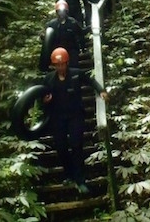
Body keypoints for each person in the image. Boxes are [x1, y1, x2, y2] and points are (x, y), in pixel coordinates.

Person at [42, 47, 108, 193]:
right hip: (58, 118)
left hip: (75, 116)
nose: (60, 67)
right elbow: (42, 96)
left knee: (76, 145)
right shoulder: (49, 79)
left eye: (62, 64)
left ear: (67, 62)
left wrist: (101, 90)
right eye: (57, 65)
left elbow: (91, 81)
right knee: (60, 147)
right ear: (53, 65)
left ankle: (80, 179)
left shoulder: (76, 74)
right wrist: (45, 101)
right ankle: (69, 175)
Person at [39, 0, 84, 71]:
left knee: (74, 66)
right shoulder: (52, 24)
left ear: (66, 11)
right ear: (57, 12)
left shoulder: (72, 22)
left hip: (71, 49)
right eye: (59, 11)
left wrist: (82, 47)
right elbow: (45, 36)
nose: (61, 13)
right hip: (57, 49)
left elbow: (81, 34)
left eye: (63, 11)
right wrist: (43, 36)